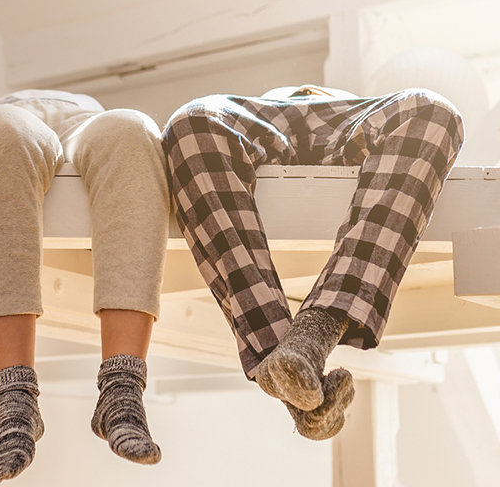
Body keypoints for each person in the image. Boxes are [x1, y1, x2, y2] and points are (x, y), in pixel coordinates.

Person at [161, 84, 463, 439]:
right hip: (262, 114)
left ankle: (311, 339)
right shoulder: (242, 113)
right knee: (190, 121)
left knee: (432, 109)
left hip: (345, 116)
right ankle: (303, 367)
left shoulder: (364, 113)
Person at [0, 90, 169, 483]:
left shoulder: (84, 106)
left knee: (132, 128)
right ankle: (14, 401)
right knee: (6, 136)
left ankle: (122, 391)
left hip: (84, 118)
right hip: (5, 117)